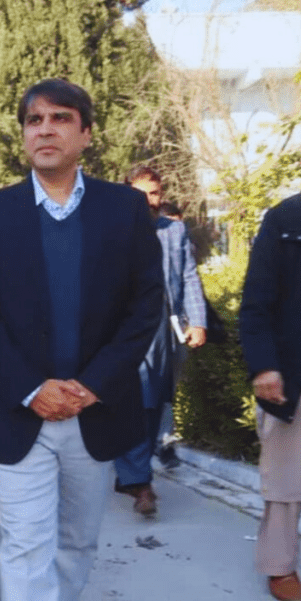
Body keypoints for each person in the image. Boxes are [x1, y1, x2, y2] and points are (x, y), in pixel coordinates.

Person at [0, 79, 162, 601]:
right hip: (21, 414)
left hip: (94, 412)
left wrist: (91, 384)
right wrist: (32, 386)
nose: (44, 128)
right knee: (24, 548)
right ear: (23, 134)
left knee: (77, 542)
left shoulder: (126, 209)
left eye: (60, 119)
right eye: (34, 119)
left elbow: (144, 307)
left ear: (85, 134)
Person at [115, 166, 207, 515]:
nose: (148, 201)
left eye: (153, 194)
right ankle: (141, 483)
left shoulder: (174, 230)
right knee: (134, 400)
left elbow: (188, 275)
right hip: (125, 333)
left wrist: (196, 321)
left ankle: (132, 474)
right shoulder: (113, 232)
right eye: (140, 194)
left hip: (164, 331)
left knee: (156, 403)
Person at [240, 188, 301, 601]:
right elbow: (256, 302)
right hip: (297, 369)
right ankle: (280, 565)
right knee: (287, 475)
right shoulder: (286, 219)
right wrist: (264, 365)